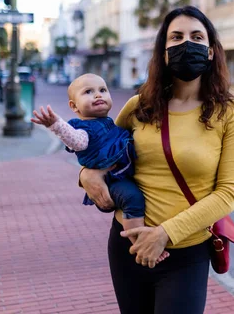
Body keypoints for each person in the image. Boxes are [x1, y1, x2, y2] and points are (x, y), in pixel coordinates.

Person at [79, 6, 234, 313]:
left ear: (211, 52)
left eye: (197, 36)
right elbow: (102, 153)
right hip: (127, 246)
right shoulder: (140, 105)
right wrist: (85, 176)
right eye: (177, 37)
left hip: (184, 253)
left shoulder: (231, 113)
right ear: (163, 51)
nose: (187, 43)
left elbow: (227, 194)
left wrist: (163, 234)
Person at [30, 74, 169, 262]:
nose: (98, 95)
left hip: (120, 174)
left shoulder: (109, 122)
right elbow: (76, 140)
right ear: (74, 106)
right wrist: (56, 125)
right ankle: (140, 244)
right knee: (132, 198)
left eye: (102, 90)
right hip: (112, 180)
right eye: (88, 92)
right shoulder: (83, 129)